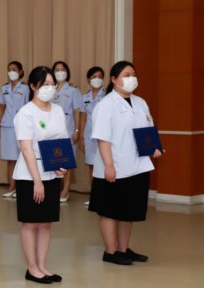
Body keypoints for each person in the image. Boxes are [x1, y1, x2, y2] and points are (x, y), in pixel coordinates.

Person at [89, 61, 162, 265]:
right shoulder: (106, 105)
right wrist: (109, 166)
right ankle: (110, 252)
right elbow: (102, 138)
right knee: (110, 210)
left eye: (133, 74)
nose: (131, 79)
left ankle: (123, 248)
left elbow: (147, 131)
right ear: (114, 79)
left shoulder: (140, 102)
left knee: (128, 210)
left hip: (137, 166)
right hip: (114, 166)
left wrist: (154, 147)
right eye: (126, 75)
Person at [13, 66, 68, 284]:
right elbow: (26, 148)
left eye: (52, 84)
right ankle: (32, 268)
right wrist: (37, 181)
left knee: (46, 222)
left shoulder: (58, 110)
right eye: (45, 84)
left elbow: (61, 142)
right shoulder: (26, 113)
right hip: (30, 176)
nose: (49, 88)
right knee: (31, 223)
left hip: (51, 174)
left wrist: (61, 165)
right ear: (33, 86)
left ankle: (42, 266)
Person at [51, 61, 83, 202]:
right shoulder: (49, 88)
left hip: (68, 129)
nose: (60, 72)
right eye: (57, 69)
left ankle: (66, 190)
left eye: (62, 69)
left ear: (67, 72)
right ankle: (56, 188)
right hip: (52, 130)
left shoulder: (73, 90)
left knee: (67, 160)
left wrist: (77, 130)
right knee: (54, 159)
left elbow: (77, 111)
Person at [0, 61, 29, 198]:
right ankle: (11, 187)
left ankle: (21, 187)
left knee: (23, 157)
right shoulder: (4, 88)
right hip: (6, 125)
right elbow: (1, 107)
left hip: (21, 126)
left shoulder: (26, 88)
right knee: (10, 158)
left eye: (14, 69)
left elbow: (29, 107)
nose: (12, 72)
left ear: (20, 71)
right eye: (9, 69)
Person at [78, 66, 106, 206]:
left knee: (104, 164)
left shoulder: (107, 96)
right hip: (89, 136)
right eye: (94, 77)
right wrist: (81, 137)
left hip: (104, 136)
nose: (97, 79)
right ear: (89, 80)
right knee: (92, 166)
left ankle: (105, 196)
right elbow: (83, 118)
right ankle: (94, 196)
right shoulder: (85, 97)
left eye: (99, 77)